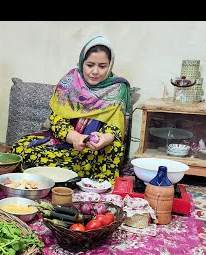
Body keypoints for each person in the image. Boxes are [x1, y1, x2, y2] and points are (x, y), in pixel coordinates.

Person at [10, 36, 131, 184]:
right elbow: (56, 119)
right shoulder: (69, 82)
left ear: (110, 65)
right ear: (82, 62)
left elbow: (116, 127)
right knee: (20, 148)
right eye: (90, 65)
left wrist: (104, 139)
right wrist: (74, 137)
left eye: (102, 66)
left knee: (115, 147)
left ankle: (70, 176)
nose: (95, 71)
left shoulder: (117, 88)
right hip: (65, 145)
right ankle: (76, 176)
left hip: (94, 152)